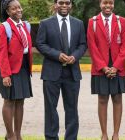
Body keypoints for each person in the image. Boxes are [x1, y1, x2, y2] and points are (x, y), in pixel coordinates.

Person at [36, 0, 87, 139]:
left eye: (67, 3)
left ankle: (71, 137)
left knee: (72, 109)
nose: (64, 5)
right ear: (55, 5)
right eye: (61, 2)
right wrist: (57, 55)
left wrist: (75, 57)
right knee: (51, 108)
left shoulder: (79, 23)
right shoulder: (45, 23)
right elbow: (40, 44)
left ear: (71, 5)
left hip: (72, 73)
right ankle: (51, 137)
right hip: (51, 73)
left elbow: (83, 44)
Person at [87, 0, 125, 140]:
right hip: (101, 67)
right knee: (102, 99)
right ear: (100, 4)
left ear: (114, 4)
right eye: (105, 3)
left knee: (117, 98)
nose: (108, 6)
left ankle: (116, 134)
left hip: (118, 66)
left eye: (110, 3)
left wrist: (116, 66)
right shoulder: (92, 22)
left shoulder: (121, 21)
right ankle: (104, 134)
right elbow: (92, 47)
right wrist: (104, 67)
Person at [0, 0, 33, 139]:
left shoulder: (25, 25)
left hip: (23, 68)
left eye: (19, 7)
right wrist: (5, 75)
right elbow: (2, 53)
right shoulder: (3, 28)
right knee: (9, 101)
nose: (18, 10)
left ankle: (18, 134)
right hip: (9, 70)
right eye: (14, 8)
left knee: (20, 101)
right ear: (8, 11)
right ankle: (10, 135)